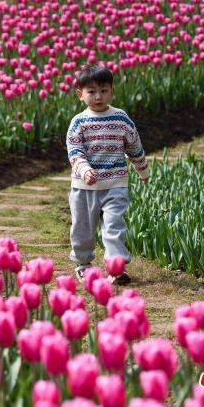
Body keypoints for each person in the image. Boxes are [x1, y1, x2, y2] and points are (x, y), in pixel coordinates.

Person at [66, 65, 150, 285]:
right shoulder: (79, 122)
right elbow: (75, 151)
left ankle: (116, 267)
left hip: (115, 183)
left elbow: (134, 145)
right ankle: (83, 263)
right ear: (80, 95)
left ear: (112, 91)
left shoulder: (121, 119)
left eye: (103, 91)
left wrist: (142, 169)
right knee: (83, 228)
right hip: (84, 187)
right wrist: (84, 170)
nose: (98, 96)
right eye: (91, 91)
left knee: (114, 225)